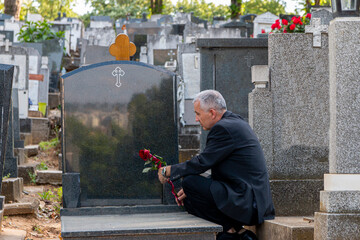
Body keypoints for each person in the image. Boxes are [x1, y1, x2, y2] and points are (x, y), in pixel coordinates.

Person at [158, 90, 275, 240]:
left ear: (212, 113)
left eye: (198, 114)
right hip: (249, 200)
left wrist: (170, 170)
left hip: (247, 202)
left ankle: (231, 231)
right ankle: (237, 233)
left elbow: (202, 163)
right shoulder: (234, 122)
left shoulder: (223, 129)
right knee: (189, 197)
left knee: (189, 181)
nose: (196, 119)